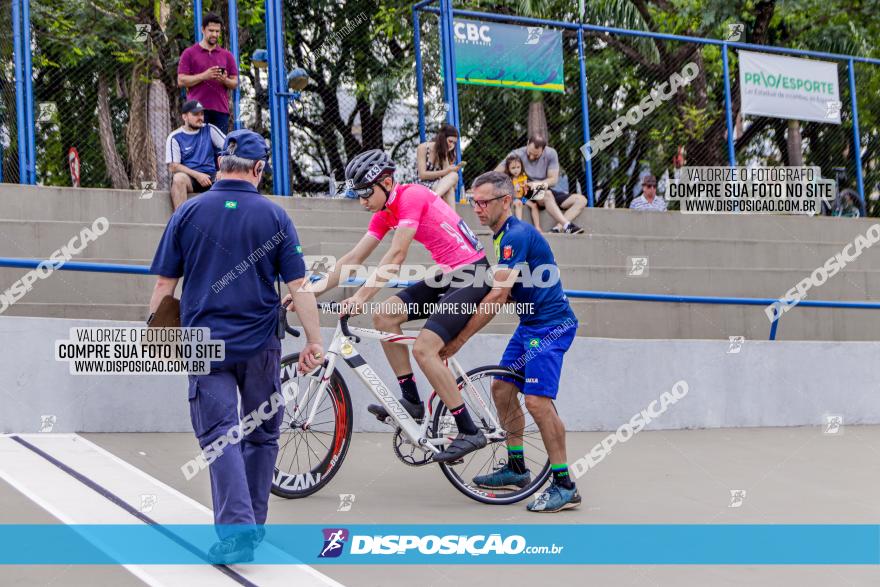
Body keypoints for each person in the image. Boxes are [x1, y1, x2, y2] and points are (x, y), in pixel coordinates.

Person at [148, 129, 324, 563]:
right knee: (262, 435)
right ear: (259, 168)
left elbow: (164, 286)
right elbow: (299, 286)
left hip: (202, 345)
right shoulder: (275, 216)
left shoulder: (187, 213)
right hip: (260, 344)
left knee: (219, 436)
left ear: (221, 165)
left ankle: (238, 528)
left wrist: (158, 339)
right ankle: (250, 527)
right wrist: (315, 341)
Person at [303, 149, 492, 463]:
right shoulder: (384, 212)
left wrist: (360, 297)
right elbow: (352, 260)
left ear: (387, 182)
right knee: (385, 316)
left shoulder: (412, 196)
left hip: (473, 274)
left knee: (424, 349)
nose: (362, 200)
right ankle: (412, 401)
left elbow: (396, 256)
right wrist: (307, 292)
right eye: (357, 194)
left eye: (366, 192)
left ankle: (469, 429)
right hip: (449, 275)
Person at [440, 170, 581, 513]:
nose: (477, 208)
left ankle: (565, 484)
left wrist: (457, 340)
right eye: (473, 202)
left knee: (537, 402)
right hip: (530, 325)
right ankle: (517, 468)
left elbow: (499, 294)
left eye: (484, 202)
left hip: (551, 326)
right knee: (502, 390)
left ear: (506, 201)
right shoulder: (501, 234)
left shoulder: (515, 235)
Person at [495, 135, 586, 234]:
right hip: (526, 192)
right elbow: (496, 173)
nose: (531, 157)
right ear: (527, 143)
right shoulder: (516, 154)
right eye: (530, 153)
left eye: (536, 155)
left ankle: (557, 228)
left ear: (544, 150)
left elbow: (553, 180)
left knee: (581, 200)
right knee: (547, 194)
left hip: (543, 189)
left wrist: (536, 184)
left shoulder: (551, 153)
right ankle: (568, 226)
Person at [177, 12, 239, 131]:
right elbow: (181, 81)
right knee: (198, 148)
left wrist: (224, 80)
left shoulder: (227, 55)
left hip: (220, 111)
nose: (214, 34)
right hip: (196, 111)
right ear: (203, 29)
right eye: (211, 30)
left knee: (219, 148)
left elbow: (235, 83)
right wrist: (204, 76)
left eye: (217, 31)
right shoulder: (189, 53)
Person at [165, 100, 226, 210]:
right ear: (185, 117)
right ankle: (181, 221)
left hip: (212, 176)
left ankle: (229, 221)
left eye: (201, 114)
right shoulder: (175, 137)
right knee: (178, 178)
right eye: (195, 114)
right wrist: (197, 175)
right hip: (190, 178)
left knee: (227, 177)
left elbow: (230, 148)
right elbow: (173, 166)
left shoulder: (210, 129)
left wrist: (223, 170)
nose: (200, 117)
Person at [416, 124, 464, 207]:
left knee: (454, 176)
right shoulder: (423, 148)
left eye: (454, 143)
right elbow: (422, 175)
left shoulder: (451, 154)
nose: (452, 145)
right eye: (450, 141)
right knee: (448, 189)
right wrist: (446, 171)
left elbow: (451, 183)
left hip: (439, 186)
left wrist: (445, 155)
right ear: (442, 138)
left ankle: (434, 198)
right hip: (422, 184)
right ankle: (454, 219)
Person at [502, 153, 542, 227]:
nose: (516, 170)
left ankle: (537, 227)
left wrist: (526, 187)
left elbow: (525, 190)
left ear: (521, 167)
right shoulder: (508, 179)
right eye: (513, 168)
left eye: (518, 167)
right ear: (508, 169)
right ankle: (519, 224)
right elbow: (506, 192)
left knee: (534, 205)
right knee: (518, 203)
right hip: (513, 199)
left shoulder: (523, 177)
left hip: (522, 198)